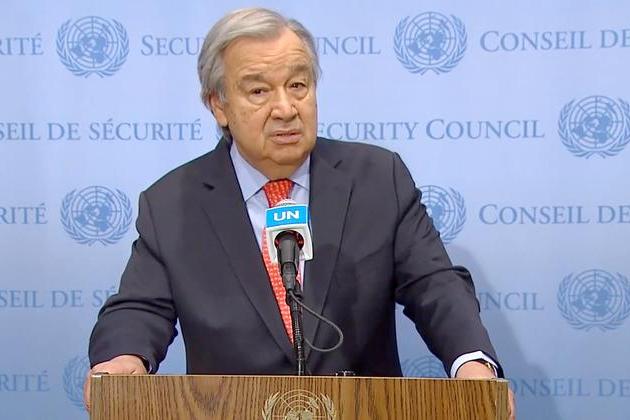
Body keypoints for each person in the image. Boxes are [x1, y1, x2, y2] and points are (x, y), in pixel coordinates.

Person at [84, 7, 514, 417]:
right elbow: (139, 308)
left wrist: (472, 362)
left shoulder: (378, 179)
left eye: (298, 85)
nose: (286, 109)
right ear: (218, 104)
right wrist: (122, 359)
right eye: (259, 91)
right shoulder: (172, 203)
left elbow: (434, 284)